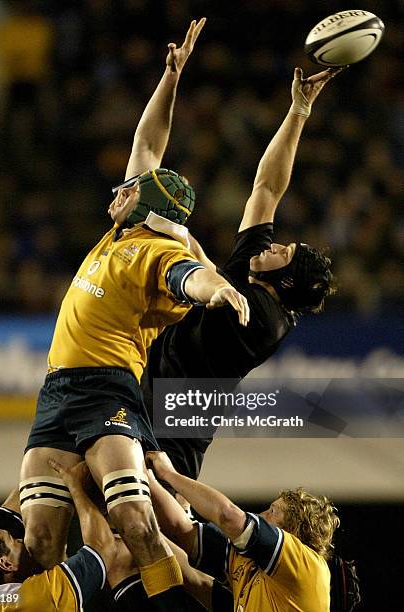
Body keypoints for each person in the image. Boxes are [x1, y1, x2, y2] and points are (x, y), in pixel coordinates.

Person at [18, 18, 249, 611]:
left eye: (128, 190)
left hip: (107, 391)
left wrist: (217, 287)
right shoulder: (124, 232)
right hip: (55, 395)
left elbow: (189, 277)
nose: (117, 190)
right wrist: (170, 79)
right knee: (39, 538)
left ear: (145, 207)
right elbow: (148, 148)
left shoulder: (154, 250)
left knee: (134, 520)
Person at [143, 65, 344, 480]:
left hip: (174, 430)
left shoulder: (263, 321)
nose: (271, 246)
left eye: (281, 253)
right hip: (146, 402)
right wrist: (299, 111)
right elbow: (267, 189)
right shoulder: (258, 271)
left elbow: (203, 276)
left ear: (285, 281)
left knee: (151, 534)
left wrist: (178, 230)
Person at [147, 451, 340, 612]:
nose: (261, 515)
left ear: (295, 529)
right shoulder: (252, 564)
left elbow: (228, 515)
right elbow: (182, 530)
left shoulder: (308, 568)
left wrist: (169, 473)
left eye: (272, 511)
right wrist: (145, 479)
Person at [0, 461, 116, 611]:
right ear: (6, 564)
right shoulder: (34, 598)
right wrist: (75, 486)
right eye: (15, 540)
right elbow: (103, 548)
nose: (21, 540)